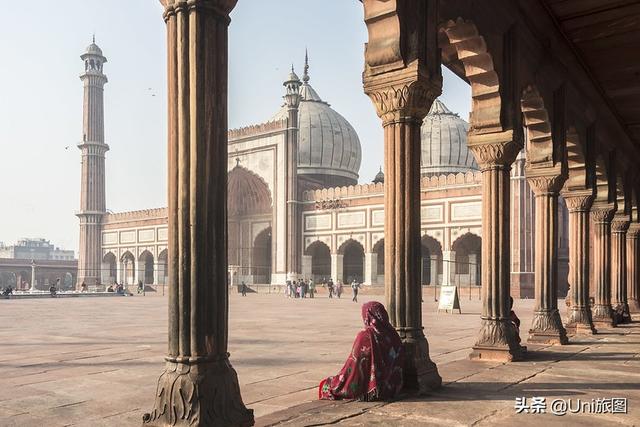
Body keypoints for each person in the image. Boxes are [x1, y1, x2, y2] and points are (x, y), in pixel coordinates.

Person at [319, 301, 403, 401]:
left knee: (327, 384)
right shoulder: (393, 334)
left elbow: (352, 368)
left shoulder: (365, 336)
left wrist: (337, 383)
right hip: (392, 388)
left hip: (374, 392)